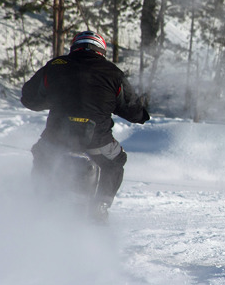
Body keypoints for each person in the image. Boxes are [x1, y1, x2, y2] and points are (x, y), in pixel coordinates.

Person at [21, 31, 150, 222]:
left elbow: (29, 99)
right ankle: (100, 205)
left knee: (42, 153)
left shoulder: (56, 66)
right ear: (101, 50)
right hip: (97, 142)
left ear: (75, 47)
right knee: (116, 160)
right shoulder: (113, 73)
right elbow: (133, 111)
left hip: (56, 138)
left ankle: (40, 199)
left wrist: (53, 99)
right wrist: (141, 113)